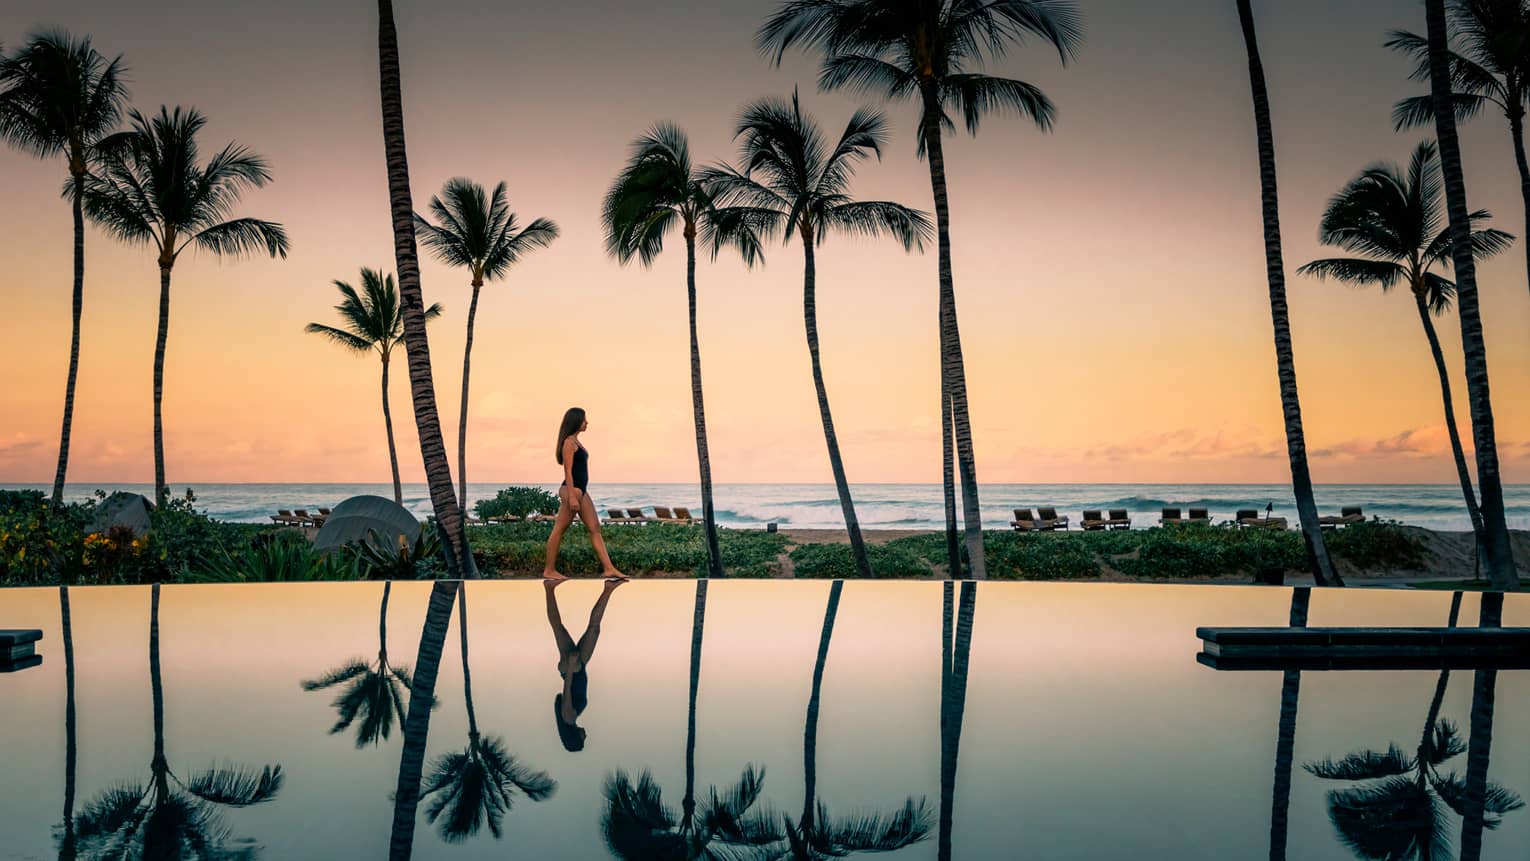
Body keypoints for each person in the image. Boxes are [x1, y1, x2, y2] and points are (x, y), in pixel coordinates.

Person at [542, 406, 626, 581]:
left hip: (582, 491)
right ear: (575, 421)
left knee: (595, 527)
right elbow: (568, 471)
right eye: (584, 419)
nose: (587, 422)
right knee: (559, 529)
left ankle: (609, 568)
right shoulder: (568, 443)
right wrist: (572, 496)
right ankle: (549, 570)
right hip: (572, 490)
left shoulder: (576, 441)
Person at [545, 577, 624, 752]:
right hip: (573, 669)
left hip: (573, 670)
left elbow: (566, 693)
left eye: (583, 740)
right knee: (565, 629)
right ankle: (550, 589)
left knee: (591, 627)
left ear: (574, 737)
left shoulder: (569, 717)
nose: (586, 737)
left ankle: (608, 588)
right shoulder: (570, 718)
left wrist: (572, 667)